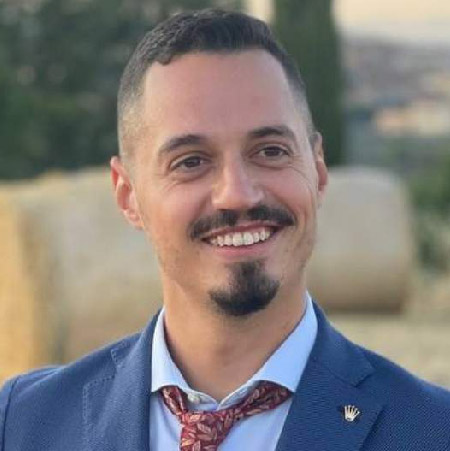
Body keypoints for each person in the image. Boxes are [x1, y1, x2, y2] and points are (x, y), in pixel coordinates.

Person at [1, 8, 449, 451]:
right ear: (128, 195)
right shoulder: (21, 424)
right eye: (191, 162)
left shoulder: (433, 432)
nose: (237, 194)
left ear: (318, 170)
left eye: (270, 151)